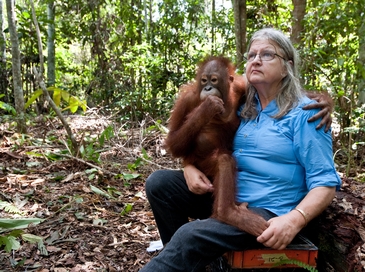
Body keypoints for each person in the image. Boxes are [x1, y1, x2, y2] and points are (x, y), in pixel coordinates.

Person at [139, 27, 341, 272]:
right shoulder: (247, 103)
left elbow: (325, 183)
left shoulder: (307, 114)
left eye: (267, 54)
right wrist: (189, 165)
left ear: (287, 66)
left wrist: (294, 220)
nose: (256, 60)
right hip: (228, 195)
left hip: (267, 208)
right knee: (161, 185)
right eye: (251, 55)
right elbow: (198, 140)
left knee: (191, 235)